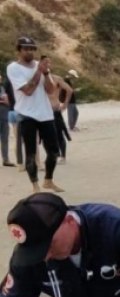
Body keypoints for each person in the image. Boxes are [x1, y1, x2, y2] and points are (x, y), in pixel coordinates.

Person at [6, 36, 63, 192]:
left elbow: (51, 90)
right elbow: (28, 90)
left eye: (32, 49)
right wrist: (39, 71)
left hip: (45, 113)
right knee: (30, 153)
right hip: (26, 114)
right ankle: (35, 185)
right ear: (19, 50)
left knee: (53, 151)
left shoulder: (40, 66)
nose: (30, 52)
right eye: (26, 49)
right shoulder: (13, 68)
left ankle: (48, 180)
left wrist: (45, 74)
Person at [44, 58, 73, 164]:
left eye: (49, 64)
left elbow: (69, 90)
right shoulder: (40, 80)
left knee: (59, 134)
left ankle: (63, 156)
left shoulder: (57, 79)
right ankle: (52, 155)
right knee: (47, 135)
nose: (47, 66)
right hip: (44, 111)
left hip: (55, 109)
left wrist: (65, 104)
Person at [0, 73, 14, 167]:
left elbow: (7, 98)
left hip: (5, 115)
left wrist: (7, 102)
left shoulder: (2, 88)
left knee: (5, 138)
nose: (0, 78)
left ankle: (6, 159)